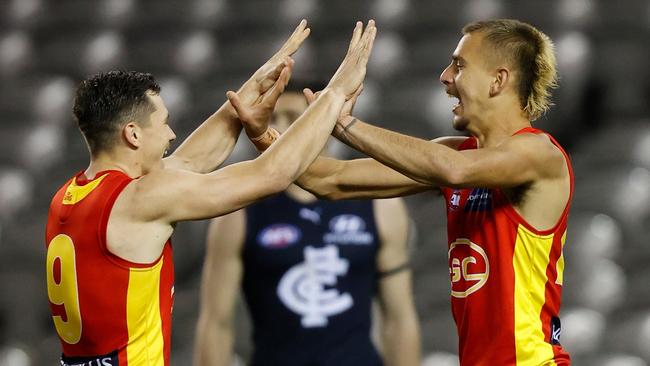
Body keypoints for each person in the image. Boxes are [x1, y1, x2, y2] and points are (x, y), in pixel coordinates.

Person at [44, 20, 377, 365]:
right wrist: (335, 94)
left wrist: (249, 92)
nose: (172, 135)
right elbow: (272, 173)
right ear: (133, 134)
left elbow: (190, 160)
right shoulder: (142, 198)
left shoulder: (71, 196)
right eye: (163, 124)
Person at [246, 19, 573, 366]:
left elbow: (454, 171)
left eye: (459, 66)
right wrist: (262, 134)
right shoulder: (458, 153)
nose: (445, 77)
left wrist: (341, 120)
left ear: (498, 80)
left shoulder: (540, 154)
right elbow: (330, 180)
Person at [193, 84, 421, 366]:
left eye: (292, 117)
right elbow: (216, 322)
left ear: (321, 124)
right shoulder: (237, 211)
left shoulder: (379, 204)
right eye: (271, 118)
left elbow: (399, 317)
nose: (277, 129)